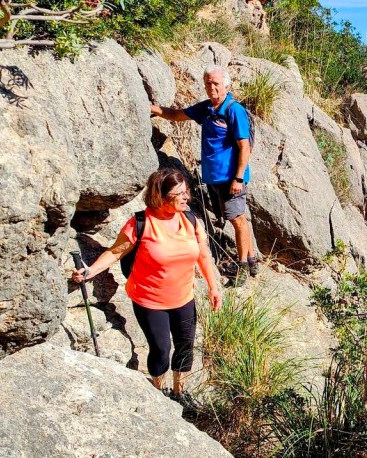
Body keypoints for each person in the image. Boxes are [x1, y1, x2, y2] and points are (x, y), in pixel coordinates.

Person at [70, 168, 223, 402]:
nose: (186, 198)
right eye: (179, 194)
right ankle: (158, 392)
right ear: (161, 197)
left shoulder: (190, 220)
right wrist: (89, 272)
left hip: (184, 297)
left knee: (185, 348)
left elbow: (202, 255)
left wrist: (213, 287)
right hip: (150, 301)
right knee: (161, 350)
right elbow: (115, 252)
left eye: (186, 192)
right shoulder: (140, 223)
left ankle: (179, 393)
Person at [150, 64, 259, 286]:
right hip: (214, 178)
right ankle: (251, 259)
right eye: (208, 83)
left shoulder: (233, 109)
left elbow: (244, 146)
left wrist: (238, 178)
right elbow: (177, 115)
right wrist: (154, 108)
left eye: (216, 83)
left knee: (237, 219)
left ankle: (243, 269)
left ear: (226, 85)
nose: (211, 87)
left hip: (231, 178)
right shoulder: (207, 109)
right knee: (233, 218)